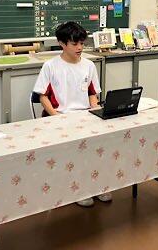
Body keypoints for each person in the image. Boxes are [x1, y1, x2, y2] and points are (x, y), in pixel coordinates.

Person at [33, 21, 112, 207]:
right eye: (74, 44)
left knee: (101, 145)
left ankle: (97, 185)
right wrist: (56, 117)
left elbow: (92, 93)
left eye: (82, 43)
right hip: (59, 116)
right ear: (62, 43)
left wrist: (95, 110)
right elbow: (42, 96)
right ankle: (77, 189)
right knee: (74, 151)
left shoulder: (89, 65)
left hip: (85, 116)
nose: (80, 48)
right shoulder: (51, 66)